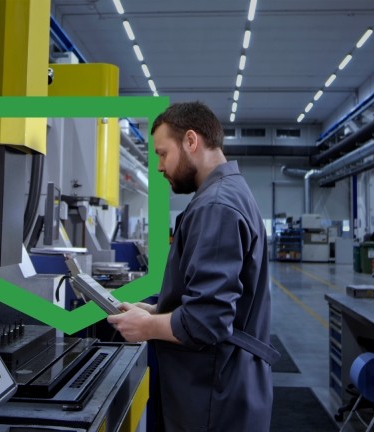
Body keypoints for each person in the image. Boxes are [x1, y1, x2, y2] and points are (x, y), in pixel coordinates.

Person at [107, 101, 278, 431]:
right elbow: (211, 300)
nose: (159, 166)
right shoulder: (227, 194)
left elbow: (207, 321)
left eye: (162, 153)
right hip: (222, 386)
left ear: (190, 141)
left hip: (213, 394)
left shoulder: (216, 205)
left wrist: (146, 327)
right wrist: (156, 311)